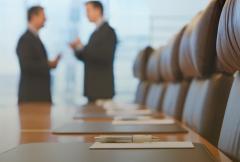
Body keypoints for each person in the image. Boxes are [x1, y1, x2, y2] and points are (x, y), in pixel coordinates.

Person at [70, 1, 118, 103]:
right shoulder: (95, 33)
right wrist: (77, 48)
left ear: (98, 10)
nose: (86, 14)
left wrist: (83, 48)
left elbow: (105, 56)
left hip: (102, 90)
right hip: (93, 89)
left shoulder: (108, 32)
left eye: (88, 11)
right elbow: (87, 57)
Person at [16, 6, 61, 104]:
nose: (45, 19)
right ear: (33, 16)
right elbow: (26, 65)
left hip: (39, 96)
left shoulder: (34, 38)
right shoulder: (25, 39)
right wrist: (48, 64)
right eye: (43, 16)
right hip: (32, 97)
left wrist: (49, 64)